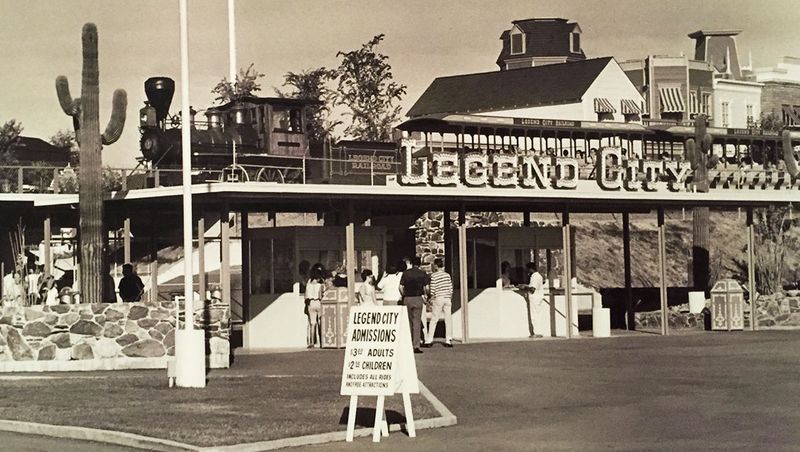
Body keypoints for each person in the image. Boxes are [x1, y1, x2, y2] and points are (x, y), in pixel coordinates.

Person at [399, 256, 428, 354]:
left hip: (407, 298)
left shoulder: (406, 273)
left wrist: (404, 295)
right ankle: (416, 345)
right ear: (419, 264)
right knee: (417, 322)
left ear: (411, 263)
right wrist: (425, 295)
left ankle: (408, 344)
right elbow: (426, 288)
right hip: (418, 298)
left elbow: (400, 287)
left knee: (409, 322)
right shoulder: (423, 274)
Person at [424, 258, 454, 348]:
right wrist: (449, 296)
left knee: (434, 319)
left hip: (439, 297)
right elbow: (450, 287)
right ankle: (448, 339)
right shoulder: (447, 275)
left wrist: (431, 298)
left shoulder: (434, 276)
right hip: (447, 297)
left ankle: (429, 340)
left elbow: (432, 289)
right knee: (448, 319)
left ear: (436, 266)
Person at [520, 262, 545, 338]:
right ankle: (538, 331)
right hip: (538, 297)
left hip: (535, 298)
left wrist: (524, 287)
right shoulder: (539, 276)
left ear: (531, 269)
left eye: (527, 269)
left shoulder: (534, 276)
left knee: (534, 315)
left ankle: (536, 332)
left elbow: (532, 289)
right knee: (537, 315)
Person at [305, 266, 324, 348]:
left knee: (313, 323)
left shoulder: (308, 285)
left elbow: (306, 297)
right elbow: (320, 296)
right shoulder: (320, 285)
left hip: (311, 303)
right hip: (318, 303)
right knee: (320, 322)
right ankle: (321, 341)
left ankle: (312, 342)